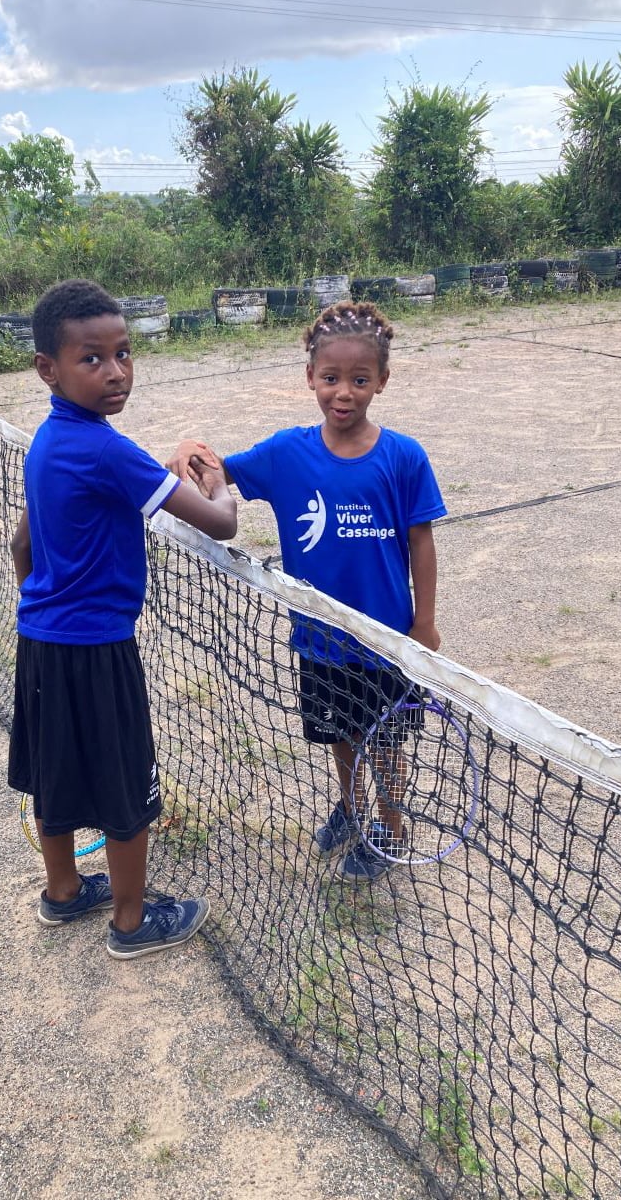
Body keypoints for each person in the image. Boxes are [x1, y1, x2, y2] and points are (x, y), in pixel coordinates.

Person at [168, 300, 446, 882]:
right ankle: (351, 808)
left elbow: (421, 543)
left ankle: (390, 830)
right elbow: (221, 471)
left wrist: (425, 623)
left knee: (387, 742)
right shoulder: (286, 453)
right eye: (331, 379)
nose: (343, 393)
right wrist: (194, 457)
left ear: (382, 382)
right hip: (319, 640)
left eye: (359, 380)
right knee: (340, 735)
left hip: (387, 641)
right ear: (311, 378)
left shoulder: (404, 458)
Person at [8, 278, 237, 958]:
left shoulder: (49, 440)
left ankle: (63, 891)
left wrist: (44, 610)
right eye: (92, 359)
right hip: (97, 649)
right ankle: (132, 922)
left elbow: (22, 544)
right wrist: (214, 473)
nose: (115, 373)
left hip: (42, 641)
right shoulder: (107, 450)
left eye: (124, 354)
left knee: (55, 774)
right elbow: (220, 523)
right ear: (47, 367)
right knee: (125, 788)